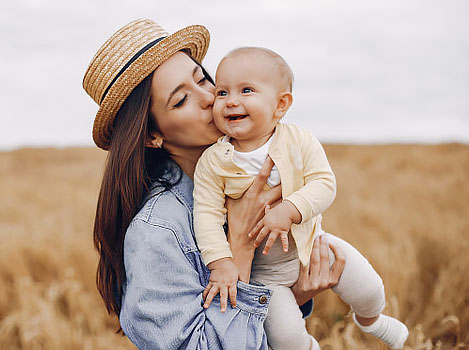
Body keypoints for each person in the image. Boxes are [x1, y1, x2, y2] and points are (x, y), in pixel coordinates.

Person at [83, 19, 346, 349]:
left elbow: (254, 333)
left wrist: (297, 294)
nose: (210, 97)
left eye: (203, 79)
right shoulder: (157, 232)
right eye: (181, 100)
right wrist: (239, 244)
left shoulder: (243, 178)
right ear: (152, 135)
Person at [193, 47, 409, 349]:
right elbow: (205, 215)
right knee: (285, 338)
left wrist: (290, 210)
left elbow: (323, 183)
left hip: (313, 243)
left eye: (246, 90)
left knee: (370, 288)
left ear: (280, 105)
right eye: (221, 92)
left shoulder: (298, 140)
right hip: (265, 274)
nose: (231, 101)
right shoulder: (214, 161)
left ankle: (370, 319)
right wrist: (220, 263)